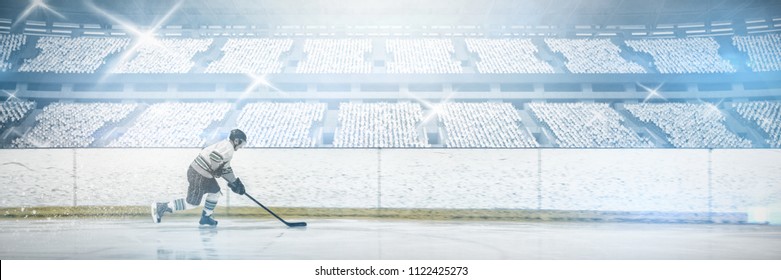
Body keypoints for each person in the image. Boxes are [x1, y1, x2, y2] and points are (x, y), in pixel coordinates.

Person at [151, 129, 248, 226]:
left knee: (215, 192)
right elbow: (214, 157)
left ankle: (206, 217)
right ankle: (161, 207)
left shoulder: (226, 146)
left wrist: (235, 183)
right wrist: (216, 169)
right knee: (192, 203)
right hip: (199, 175)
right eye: (241, 144)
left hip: (202, 175)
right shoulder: (228, 147)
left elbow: (226, 170)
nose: (241, 147)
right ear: (236, 141)